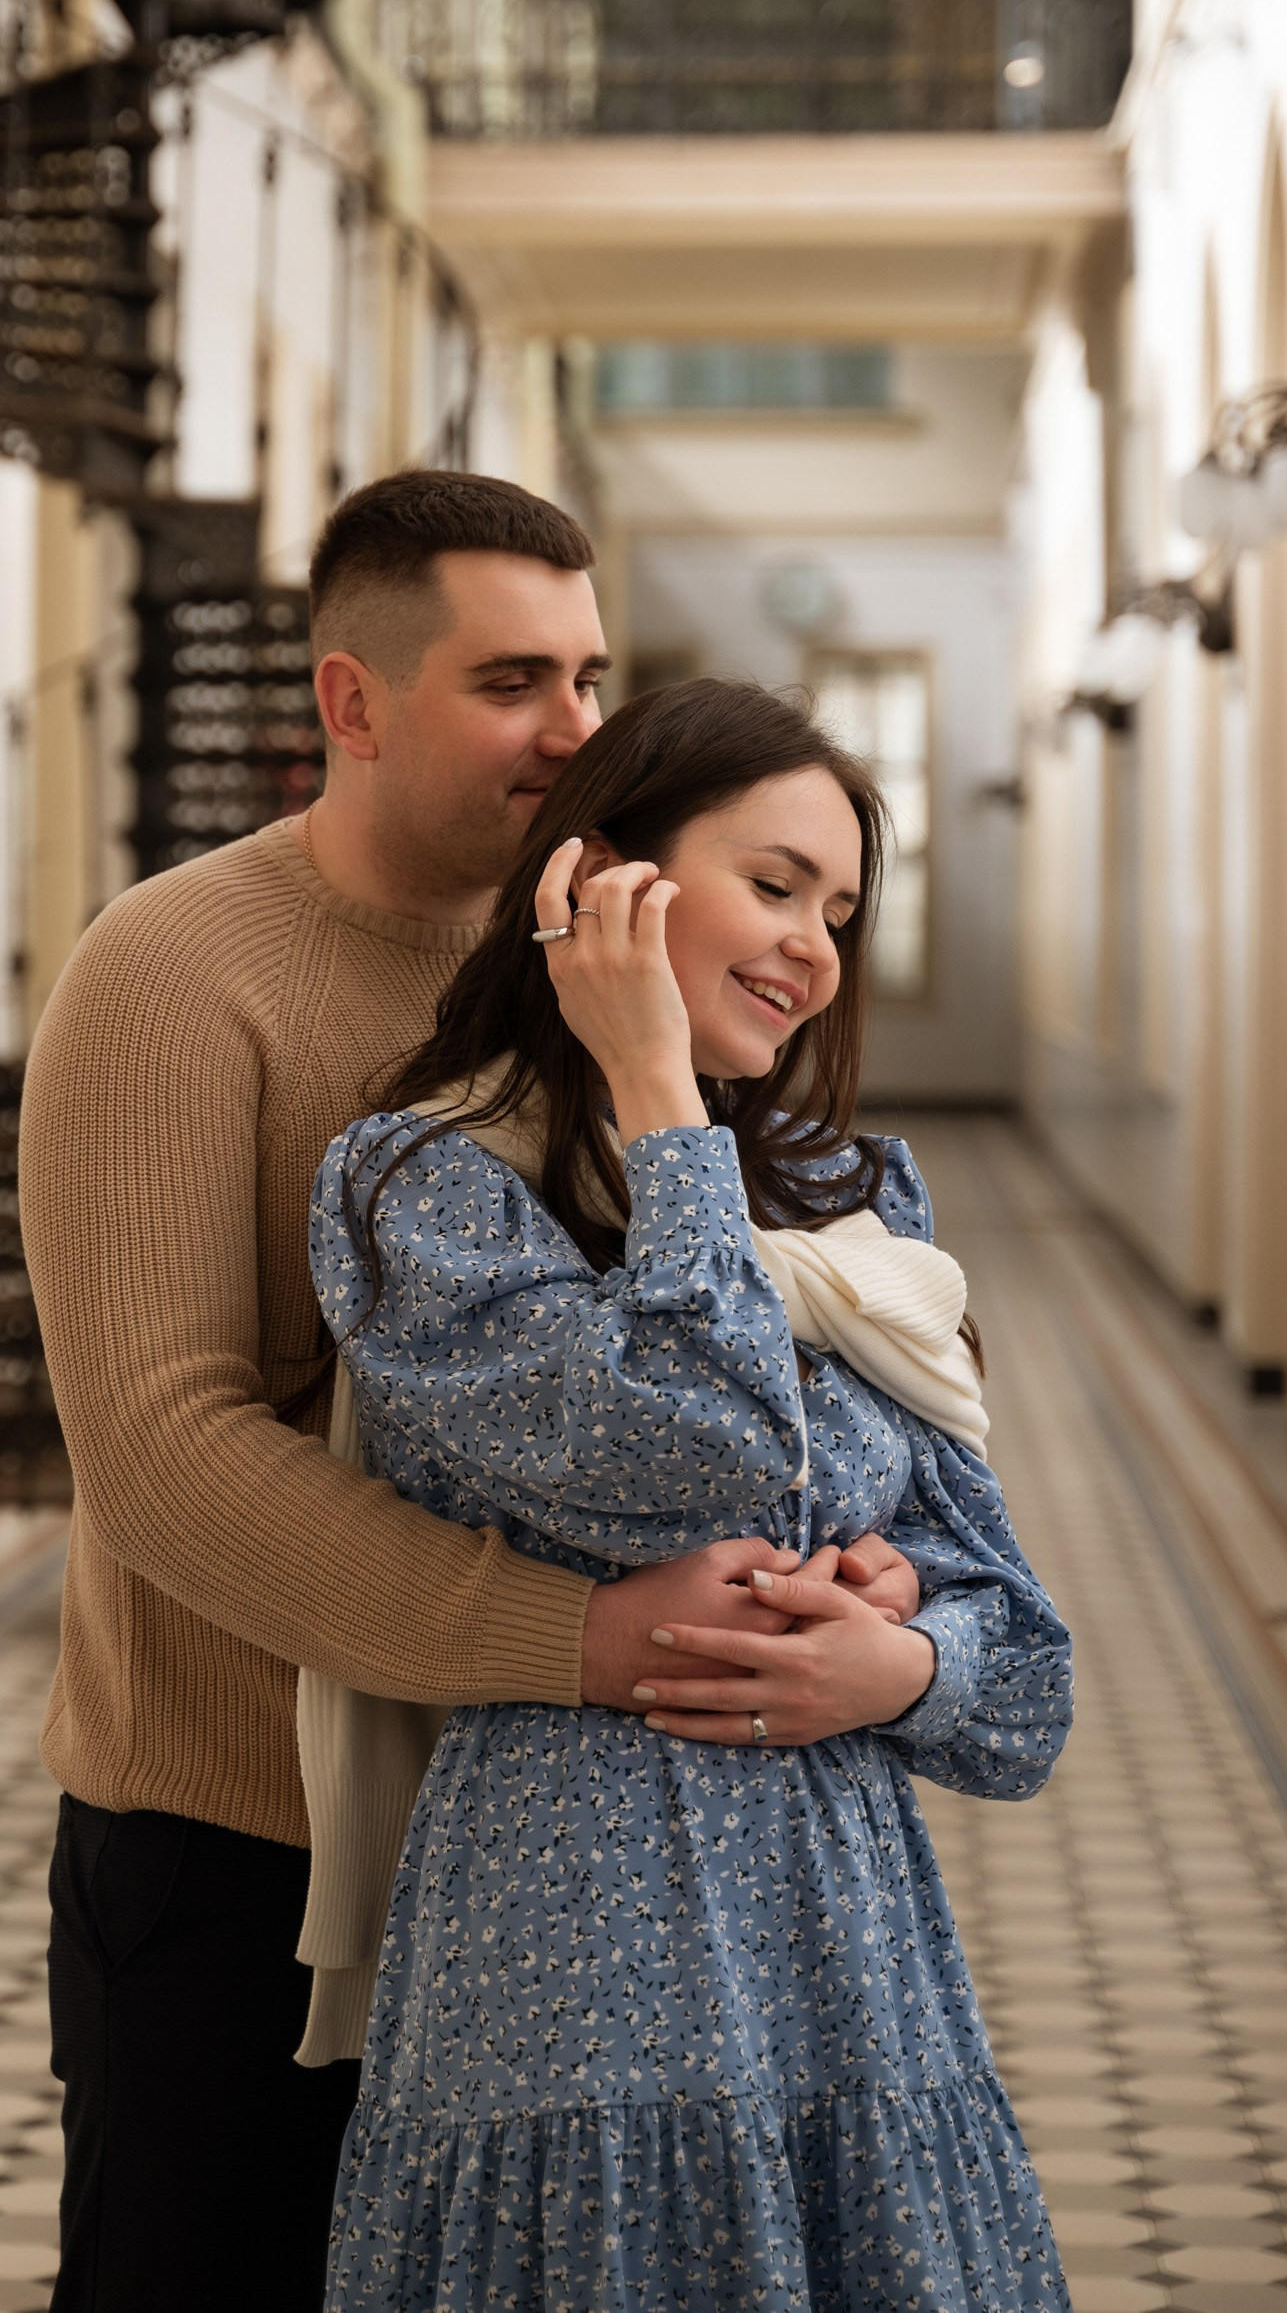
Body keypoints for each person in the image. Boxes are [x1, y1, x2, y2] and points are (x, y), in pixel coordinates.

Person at [18, 476, 917, 2313]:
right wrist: (588, 1635)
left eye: (592, 675)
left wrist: (851, 1569)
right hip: (240, 1849)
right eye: (513, 681)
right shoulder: (172, 976)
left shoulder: (627, 960)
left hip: (563, 1863)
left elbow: (731, 1351)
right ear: (351, 705)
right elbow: (164, 1455)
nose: (576, 730)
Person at [311, 675, 1074, 2313]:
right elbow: (704, 1450)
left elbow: (1028, 1684)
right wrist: (662, 1099)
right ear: (602, 884)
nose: (815, 946)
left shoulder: (860, 1200)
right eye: (776, 883)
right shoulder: (424, 1187)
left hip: (853, 1956)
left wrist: (906, 1660)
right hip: (571, 1946)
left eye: (844, 910)